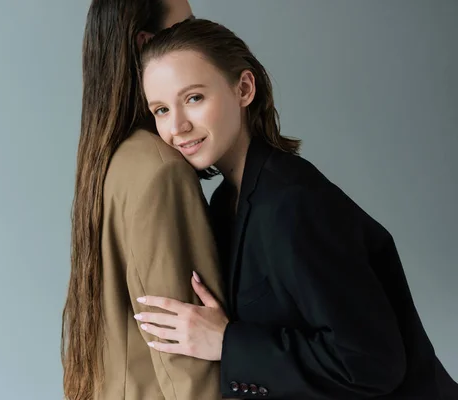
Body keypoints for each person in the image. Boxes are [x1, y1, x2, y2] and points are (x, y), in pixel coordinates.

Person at [137, 18, 458, 399]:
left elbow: (371, 362)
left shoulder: (291, 202)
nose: (178, 126)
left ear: (243, 88)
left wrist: (226, 342)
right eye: (160, 110)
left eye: (193, 98)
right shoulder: (228, 201)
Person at [61, 3, 228, 400]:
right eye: (187, 27)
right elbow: (187, 366)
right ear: (146, 43)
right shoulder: (161, 171)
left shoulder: (107, 159)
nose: (201, 33)